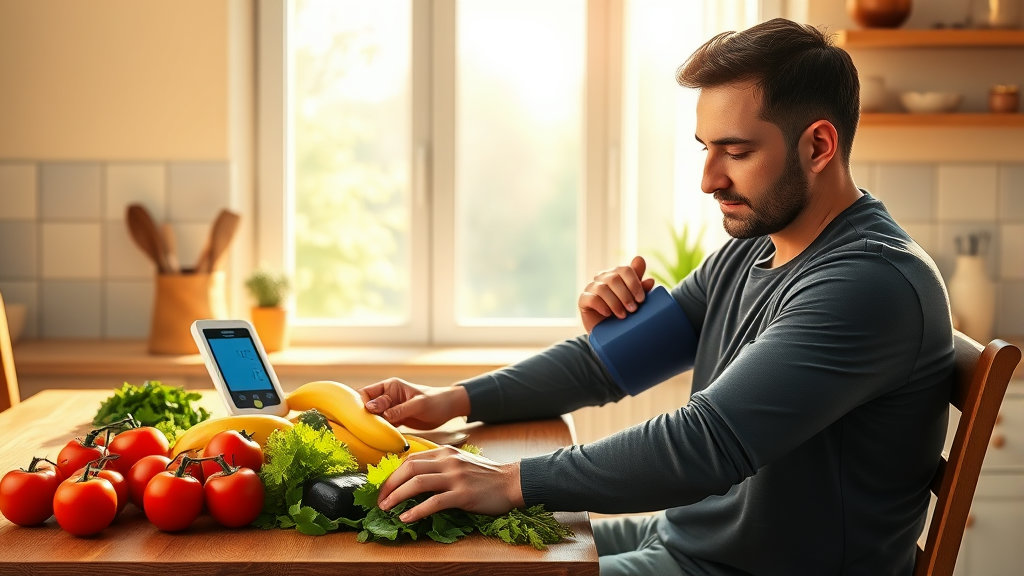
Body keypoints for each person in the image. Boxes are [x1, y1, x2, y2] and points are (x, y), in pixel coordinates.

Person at [360, 17, 954, 576]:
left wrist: (509, 480)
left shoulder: (866, 285)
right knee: (448, 542)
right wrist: (452, 401)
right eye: (706, 149)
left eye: (738, 152)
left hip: (736, 567)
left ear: (819, 146)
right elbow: (605, 364)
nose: (710, 179)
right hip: (692, 542)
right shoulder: (760, 246)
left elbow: (705, 445)